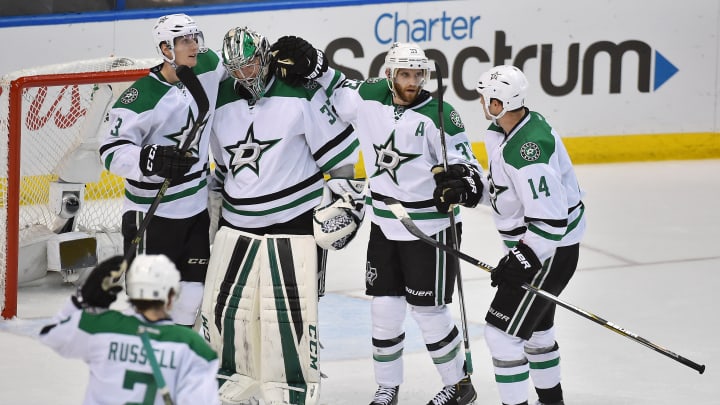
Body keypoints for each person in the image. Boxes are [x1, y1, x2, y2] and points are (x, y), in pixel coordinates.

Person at [271, 39, 483, 405]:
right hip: (385, 224)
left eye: (418, 73)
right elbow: (336, 86)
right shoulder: (369, 95)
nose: (413, 81)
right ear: (389, 74)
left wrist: (461, 186)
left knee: (429, 312)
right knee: (384, 312)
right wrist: (315, 62)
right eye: (405, 73)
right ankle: (387, 388)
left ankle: (459, 384)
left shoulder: (440, 114)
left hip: (428, 230)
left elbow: (470, 171)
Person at [202, 27, 361, 405]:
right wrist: (213, 207)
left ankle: (291, 385)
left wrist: (348, 202)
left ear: (266, 55)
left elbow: (339, 160)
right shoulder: (220, 100)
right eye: (237, 68)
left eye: (252, 62)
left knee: (289, 315)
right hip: (237, 225)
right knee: (230, 311)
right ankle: (239, 382)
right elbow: (222, 167)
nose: (246, 74)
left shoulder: (302, 91)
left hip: (294, 224)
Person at [99, 13, 226, 327]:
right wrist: (150, 159)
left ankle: (176, 355)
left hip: (195, 208)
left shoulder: (208, 64)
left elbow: (242, 71)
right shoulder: (141, 97)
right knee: (150, 301)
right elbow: (110, 152)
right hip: (152, 213)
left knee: (193, 291)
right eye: (184, 40)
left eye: (195, 37)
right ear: (166, 49)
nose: (194, 45)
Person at [473, 65, 586, 405]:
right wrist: (470, 191)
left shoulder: (527, 151)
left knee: (501, 335)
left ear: (498, 103)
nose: (481, 102)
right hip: (544, 250)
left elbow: (551, 222)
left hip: (547, 253)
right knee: (537, 333)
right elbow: (507, 195)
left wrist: (523, 259)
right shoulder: (510, 130)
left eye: (485, 98)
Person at [39, 254, 221, 404]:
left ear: (131, 292)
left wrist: (84, 299)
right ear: (172, 296)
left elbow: (50, 334)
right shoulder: (194, 347)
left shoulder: (101, 326)